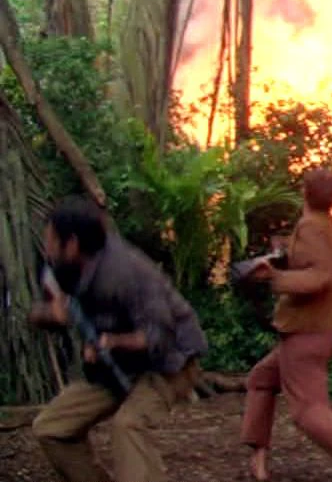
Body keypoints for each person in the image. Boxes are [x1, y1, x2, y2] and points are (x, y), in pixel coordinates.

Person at [30, 196, 207, 482]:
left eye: (51, 240)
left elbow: (158, 337)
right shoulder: (64, 267)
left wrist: (110, 342)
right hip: (118, 365)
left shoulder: (128, 272)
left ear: (71, 244)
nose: (46, 247)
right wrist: (52, 314)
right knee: (52, 428)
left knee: (128, 427)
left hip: (170, 362)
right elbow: (46, 314)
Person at [240, 168, 332, 480]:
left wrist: (275, 277)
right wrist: (284, 255)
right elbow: (316, 263)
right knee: (261, 380)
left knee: (308, 411)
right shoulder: (327, 225)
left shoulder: (311, 226)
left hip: (306, 332)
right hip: (317, 330)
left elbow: (319, 276)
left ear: (304, 193)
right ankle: (258, 463)